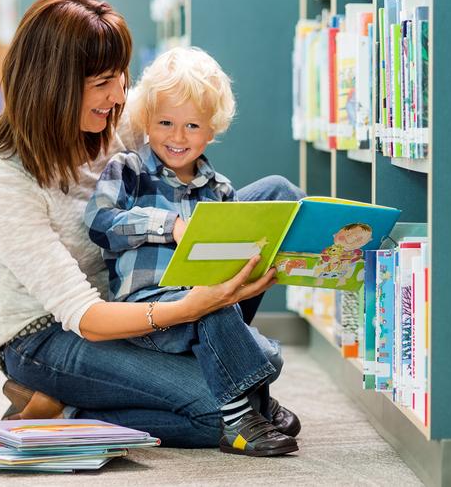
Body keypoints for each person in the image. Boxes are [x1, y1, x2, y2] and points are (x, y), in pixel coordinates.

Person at [0, 0, 304, 452]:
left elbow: (180, 97)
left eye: (121, 76)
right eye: (103, 82)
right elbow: (81, 313)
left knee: (277, 200)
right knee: (221, 410)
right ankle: (64, 407)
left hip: (143, 290)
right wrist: (192, 306)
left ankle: (217, 353)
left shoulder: (114, 119)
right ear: (54, 82)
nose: (118, 95)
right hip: (51, 334)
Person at [83, 46, 298, 456]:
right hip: (149, 312)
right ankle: (241, 416)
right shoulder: (129, 169)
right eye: (165, 122)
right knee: (209, 306)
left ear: (211, 131)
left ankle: (252, 394)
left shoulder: (220, 189)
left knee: (277, 206)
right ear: (146, 120)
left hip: (205, 303)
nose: (177, 137)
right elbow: (99, 222)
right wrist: (167, 226)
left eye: (192, 126)